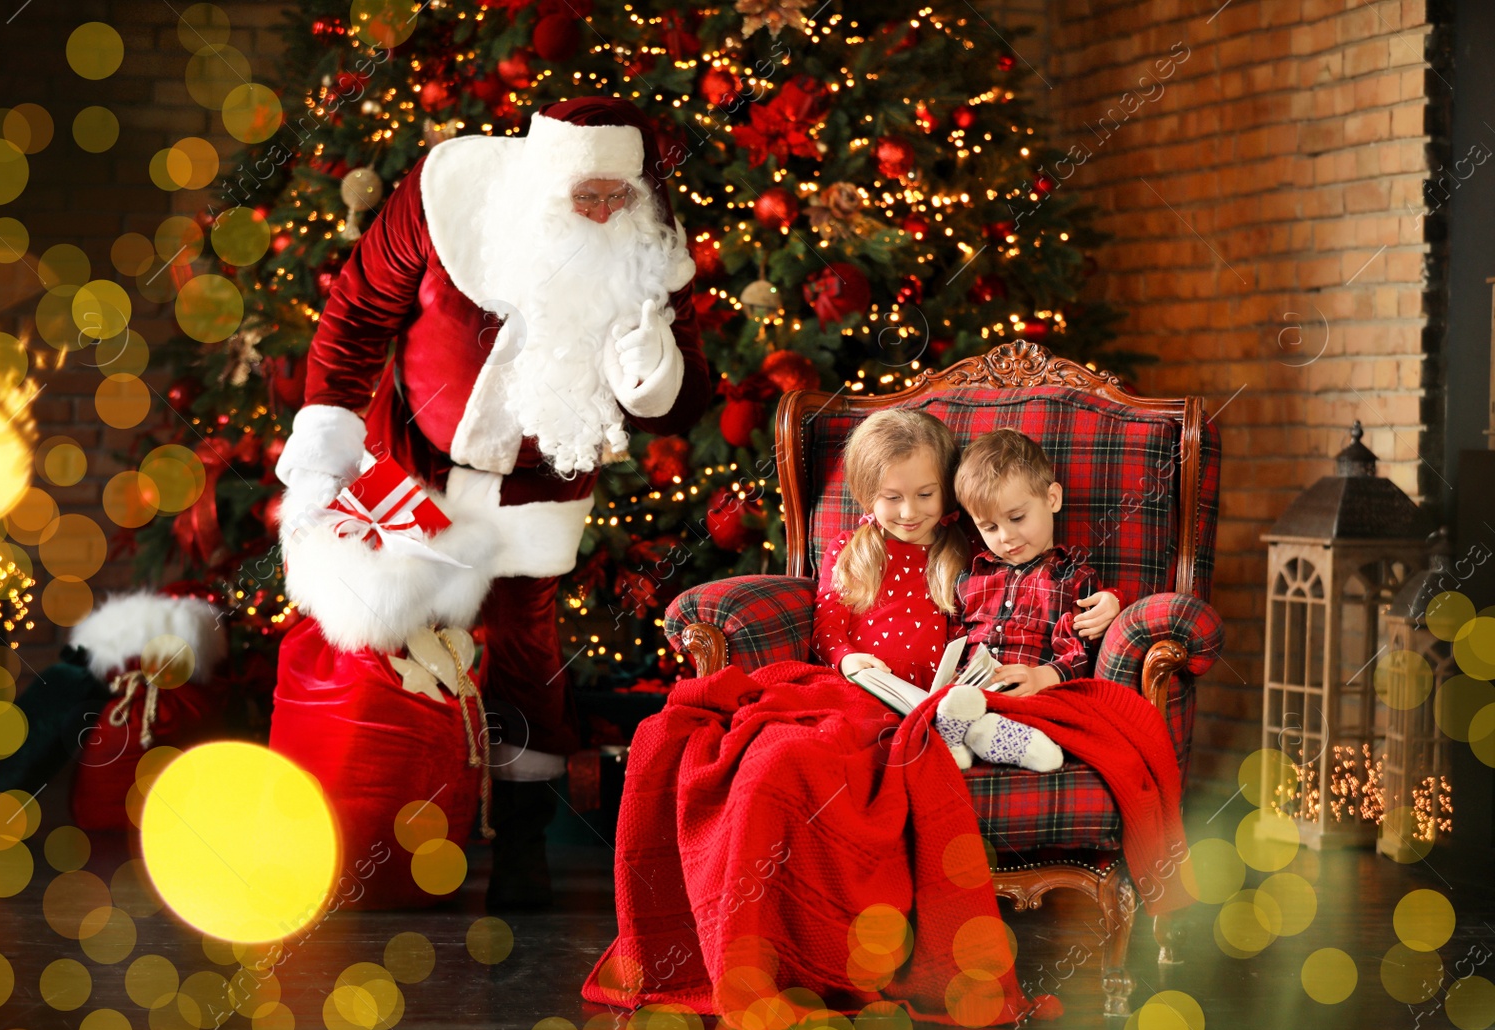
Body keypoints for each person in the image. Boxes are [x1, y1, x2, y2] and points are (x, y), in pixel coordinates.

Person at [272, 98, 710, 910]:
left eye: (619, 195)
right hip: (409, 455)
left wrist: (654, 375)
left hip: (537, 481)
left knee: (522, 652)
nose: (607, 211)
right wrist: (328, 433)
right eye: (589, 196)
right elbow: (358, 311)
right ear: (548, 180)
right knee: (382, 638)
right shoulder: (449, 191)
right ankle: (365, 827)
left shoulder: (653, 245)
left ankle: (521, 840)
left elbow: (688, 400)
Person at [811, 411, 1119, 706]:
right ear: (867, 494)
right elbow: (827, 625)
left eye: (925, 495)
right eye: (892, 498)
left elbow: (1031, 579)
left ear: (946, 491)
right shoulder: (849, 550)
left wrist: (1111, 599)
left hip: (942, 696)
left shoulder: (970, 551)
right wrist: (845, 659)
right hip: (858, 684)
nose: (909, 513)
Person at [933, 427, 1121, 771]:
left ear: (1051, 499)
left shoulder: (1073, 578)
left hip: (1032, 695)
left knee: (1046, 709)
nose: (1006, 537)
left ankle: (994, 738)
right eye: (989, 527)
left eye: (1017, 518)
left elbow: (1080, 653)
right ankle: (964, 735)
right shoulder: (970, 578)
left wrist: (1040, 678)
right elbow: (953, 639)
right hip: (969, 693)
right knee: (950, 704)